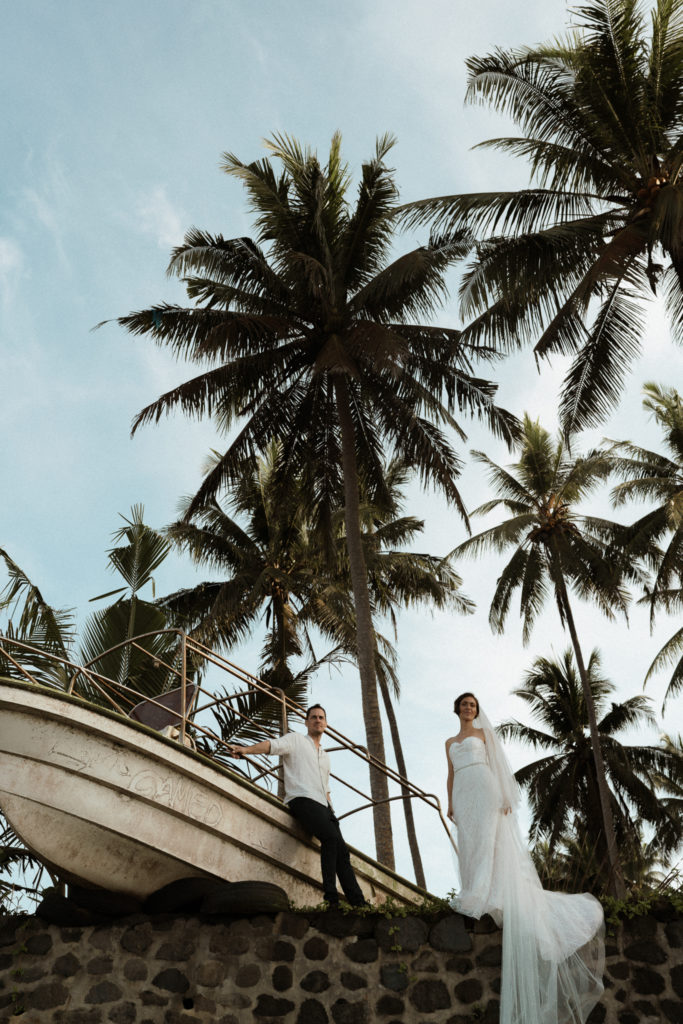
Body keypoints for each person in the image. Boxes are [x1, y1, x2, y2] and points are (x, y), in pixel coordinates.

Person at [446, 691, 605, 1024]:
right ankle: (474, 888)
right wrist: (450, 802)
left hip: (485, 787)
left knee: (489, 841)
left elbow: (498, 765)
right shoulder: (450, 741)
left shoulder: (483, 734)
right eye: (464, 705)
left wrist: (504, 795)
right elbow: (450, 774)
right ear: (457, 709)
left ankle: (484, 893)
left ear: (477, 710)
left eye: (473, 705)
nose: (469, 708)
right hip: (463, 791)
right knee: (471, 842)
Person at [228, 704, 367, 907]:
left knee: (342, 853)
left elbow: (326, 787)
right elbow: (271, 746)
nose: (317, 720)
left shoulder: (325, 756)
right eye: (313, 717)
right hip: (301, 799)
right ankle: (331, 899)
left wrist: (332, 812)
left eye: (321, 717)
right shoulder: (296, 740)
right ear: (306, 722)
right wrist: (245, 750)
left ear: (326, 723)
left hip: (324, 807)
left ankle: (359, 903)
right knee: (329, 838)